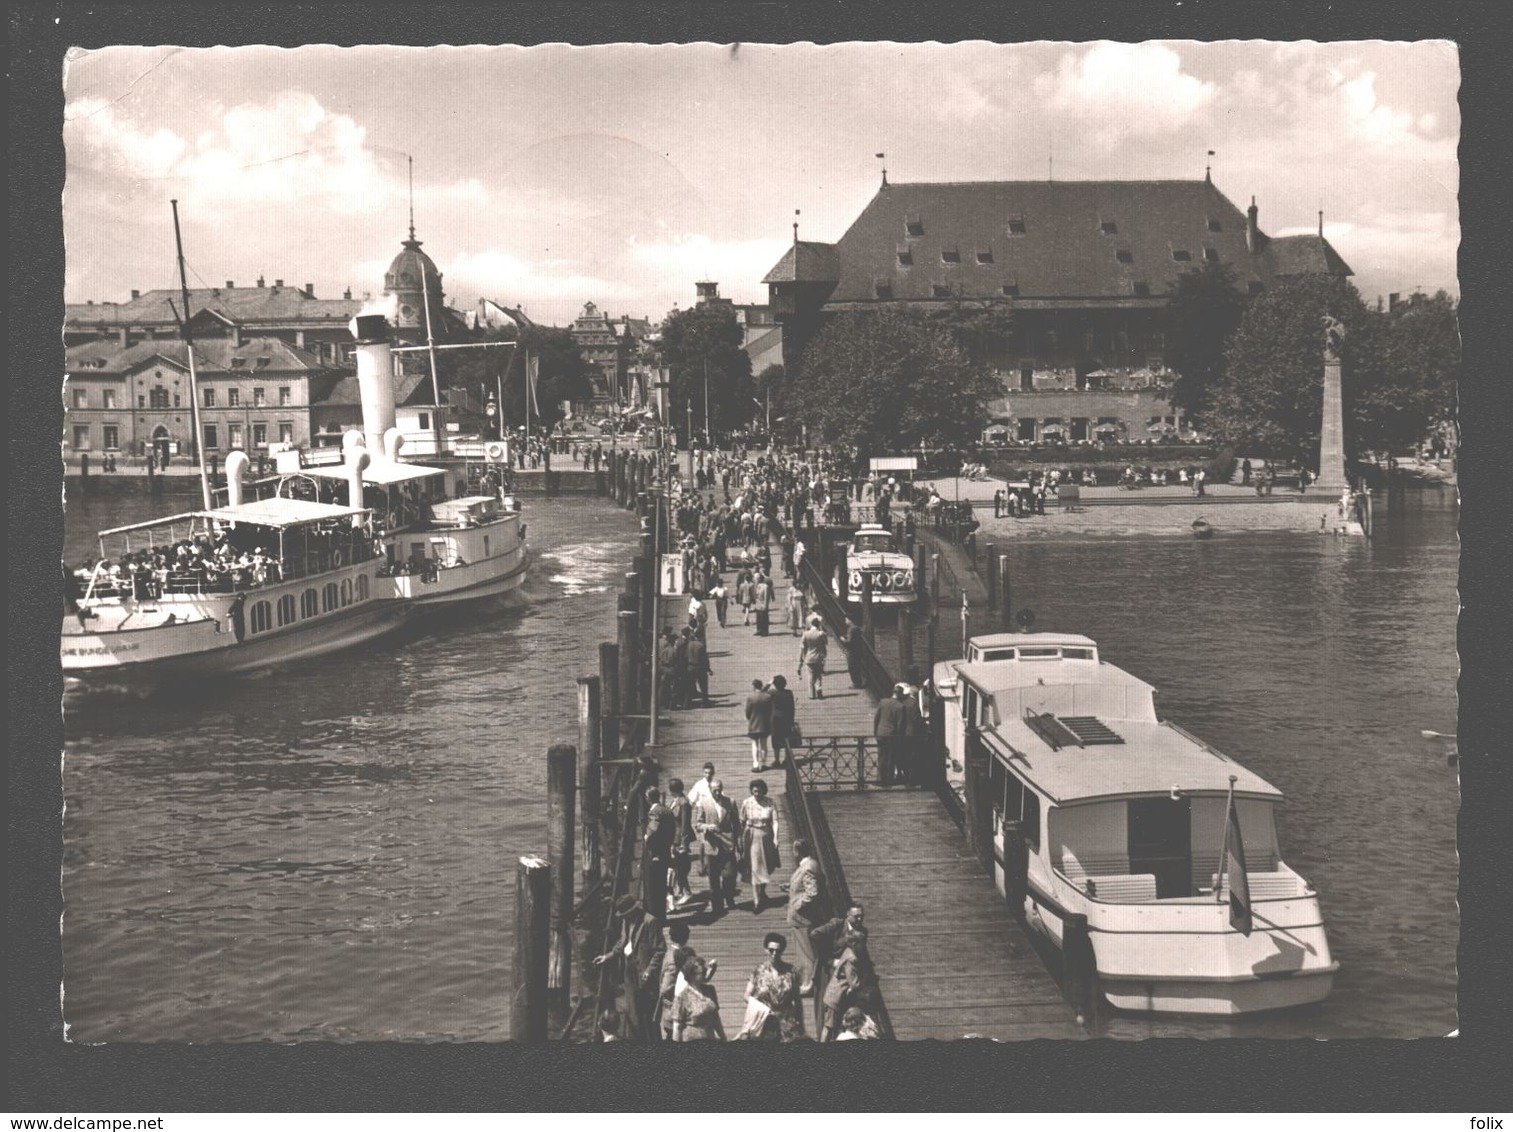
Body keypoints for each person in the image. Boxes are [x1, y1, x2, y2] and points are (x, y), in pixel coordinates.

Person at [591, 894, 666, 1040]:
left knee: (649, 1015)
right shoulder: (626, 922)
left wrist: (649, 970)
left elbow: (660, 950)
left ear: (633, 910)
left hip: (645, 975)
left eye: (626, 914)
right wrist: (608, 955)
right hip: (629, 973)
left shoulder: (650, 922)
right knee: (633, 1014)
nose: (624, 917)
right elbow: (622, 942)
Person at [812, 905, 875, 1041]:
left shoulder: (862, 932)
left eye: (861, 916)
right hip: (830, 972)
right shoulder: (836, 925)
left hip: (845, 978)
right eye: (856, 916)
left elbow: (861, 955)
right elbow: (814, 935)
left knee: (842, 1014)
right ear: (848, 914)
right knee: (828, 1019)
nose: (859, 919)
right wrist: (828, 959)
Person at [786, 838, 833, 996]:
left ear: (797, 852)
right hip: (805, 918)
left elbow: (812, 892)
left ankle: (809, 985)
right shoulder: (812, 864)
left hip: (802, 918)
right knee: (805, 950)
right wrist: (791, 888)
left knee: (805, 952)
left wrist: (797, 904)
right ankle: (808, 981)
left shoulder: (807, 868)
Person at [738, 932, 806, 1041]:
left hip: (786, 1022)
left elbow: (797, 1000)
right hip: (764, 1021)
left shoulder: (791, 972)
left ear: (782, 951)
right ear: (766, 949)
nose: (774, 953)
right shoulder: (758, 971)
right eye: (771, 950)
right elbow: (746, 995)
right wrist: (760, 1008)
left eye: (778, 951)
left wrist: (801, 1024)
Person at [695, 779, 741, 915]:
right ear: (710, 790)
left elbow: (736, 824)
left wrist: (738, 842)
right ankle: (717, 905)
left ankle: (729, 896)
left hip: (727, 844)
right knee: (713, 878)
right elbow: (698, 825)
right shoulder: (704, 803)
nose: (717, 792)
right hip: (711, 845)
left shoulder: (730, 802)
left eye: (719, 789)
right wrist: (707, 827)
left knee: (730, 874)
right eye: (714, 790)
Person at [738, 779, 780, 912]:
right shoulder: (747, 803)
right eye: (754, 790)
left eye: (759, 790)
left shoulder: (770, 802)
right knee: (756, 868)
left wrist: (776, 838)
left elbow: (775, 821)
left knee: (766, 866)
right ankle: (757, 901)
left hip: (767, 837)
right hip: (753, 837)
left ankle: (762, 892)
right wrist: (739, 839)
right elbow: (741, 821)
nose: (756, 793)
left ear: (763, 790)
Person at [654, 922, 696, 1039]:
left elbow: (666, 985)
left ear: (670, 937)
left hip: (672, 1004)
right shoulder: (688, 953)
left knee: (671, 1033)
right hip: (684, 1002)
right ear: (687, 937)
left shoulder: (669, 955)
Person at [671, 955, 726, 1041]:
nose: (706, 974)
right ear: (691, 975)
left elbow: (716, 1018)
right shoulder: (682, 997)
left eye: (705, 971)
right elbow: (677, 1026)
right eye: (702, 972)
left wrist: (723, 1037)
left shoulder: (710, 990)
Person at [641, 786, 675, 919]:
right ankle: (662, 915)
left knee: (651, 886)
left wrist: (646, 837)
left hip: (654, 854)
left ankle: (653, 916)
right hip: (665, 852)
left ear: (648, 798)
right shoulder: (667, 810)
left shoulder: (654, 812)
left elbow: (653, 829)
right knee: (661, 885)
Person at [664, 778, 695, 906]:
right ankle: (682, 890)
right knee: (678, 866)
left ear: (673, 790)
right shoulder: (676, 800)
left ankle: (686, 892)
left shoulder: (683, 803)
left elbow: (685, 825)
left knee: (678, 866)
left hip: (678, 839)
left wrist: (684, 843)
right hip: (673, 837)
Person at [873, 684, 909, 786]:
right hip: (891, 735)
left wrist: (875, 732)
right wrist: (900, 738)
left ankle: (880, 779)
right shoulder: (900, 706)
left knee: (881, 756)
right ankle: (888, 780)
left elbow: (876, 718)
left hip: (881, 733)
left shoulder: (883, 702)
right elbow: (900, 724)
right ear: (900, 694)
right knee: (890, 758)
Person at [767, 673, 797, 768]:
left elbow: (762, 692)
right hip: (786, 718)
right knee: (786, 739)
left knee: (775, 740)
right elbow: (792, 708)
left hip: (775, 719)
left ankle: (777, 760)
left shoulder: (772, 693)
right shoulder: (789, 693)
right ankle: (786, 759)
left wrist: (769, 683)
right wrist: (792, 721)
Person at [745, 677, 774, 772]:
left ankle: (755, 763)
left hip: (754, 724)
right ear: (761, 686)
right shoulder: (767, 697)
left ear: (753, 686)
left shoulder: (750, 697)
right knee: (764, 744)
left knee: (754, 744)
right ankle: (764, 763)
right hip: (764, 724)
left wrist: (751, 719)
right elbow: (770, 711)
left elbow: (747, 712)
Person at [799, 615, 829, 700]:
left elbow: (803, 646)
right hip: (819, 657)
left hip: (809, 657)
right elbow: (825, 643)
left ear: (811, 624)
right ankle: (818, 688)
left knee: (810, 675)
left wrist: (802, 657)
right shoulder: (821, 634)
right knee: (818, 675)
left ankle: (811, 694)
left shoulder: (806, 634)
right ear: (818, 625)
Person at [686, 628, 711, 707]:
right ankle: (704, 703)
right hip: (700, 668)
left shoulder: (688, 644)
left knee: (689, 686)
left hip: (690, 667)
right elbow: (704, 659)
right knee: (703, 686)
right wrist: (708, 669)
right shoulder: (701, 646)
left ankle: (687, 703)